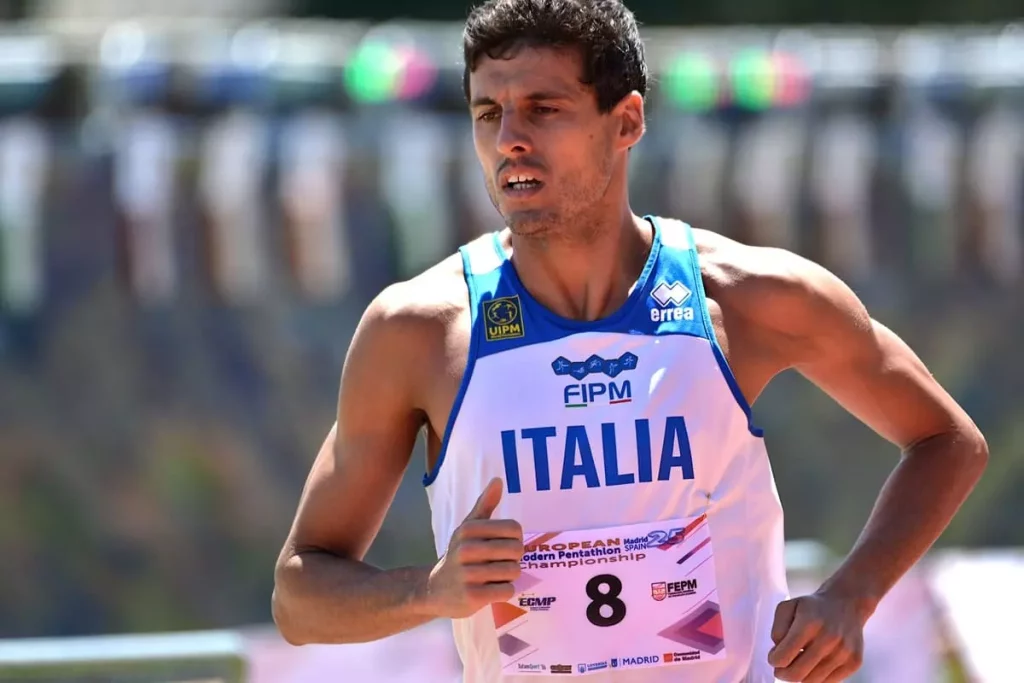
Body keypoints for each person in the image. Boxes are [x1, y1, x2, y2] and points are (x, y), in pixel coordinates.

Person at [271, 1, 988, 681]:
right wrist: (428, 591)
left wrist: (854, 594)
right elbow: (299, 596)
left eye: (544, 109)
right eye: (489, 112)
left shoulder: (747, 297)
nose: (510, 137)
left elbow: (947, 440)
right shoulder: (421, 330)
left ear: (627, 121)